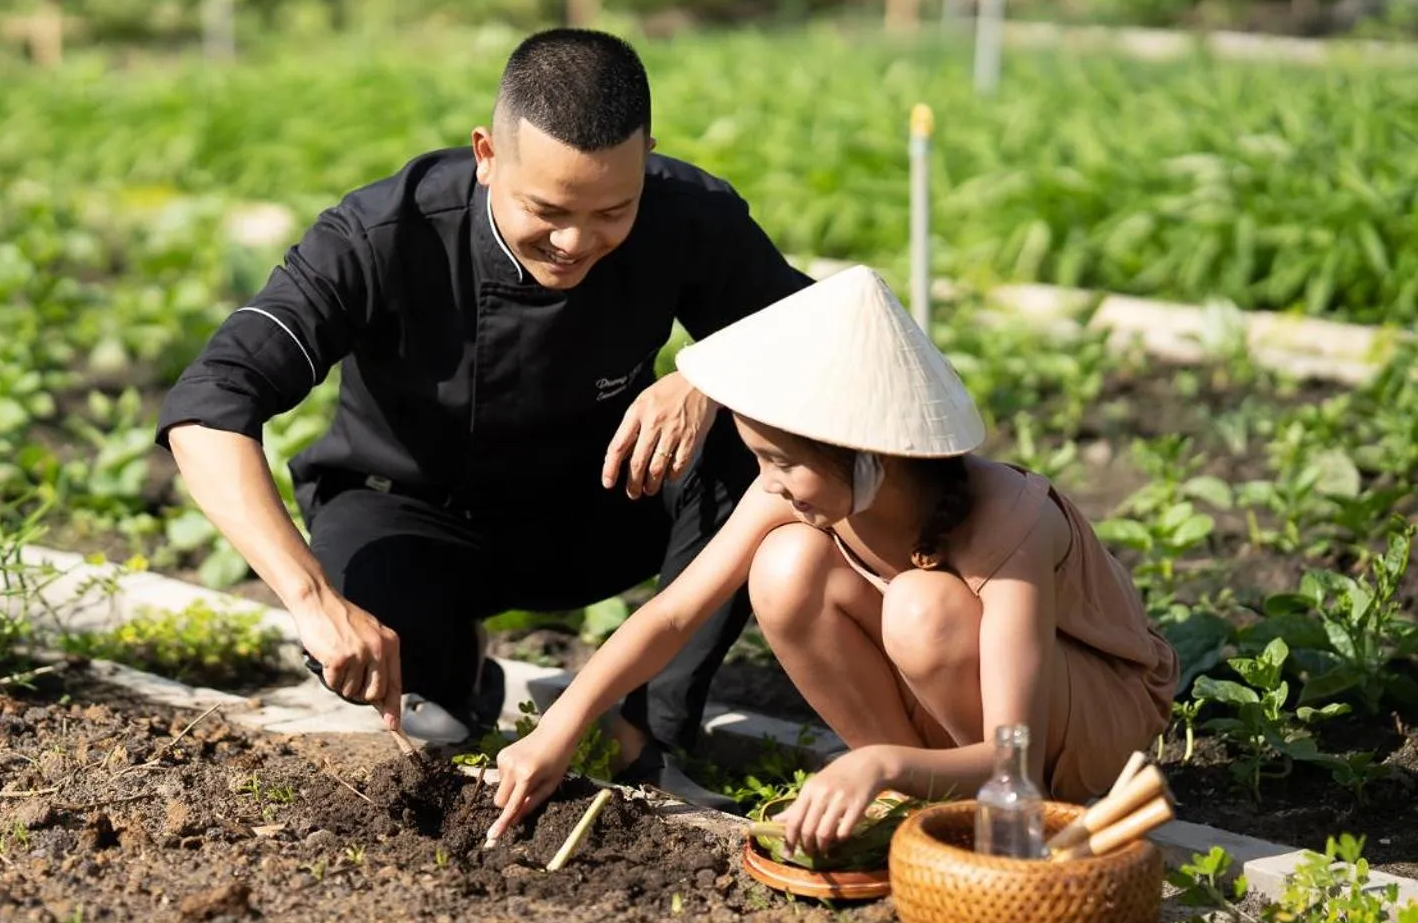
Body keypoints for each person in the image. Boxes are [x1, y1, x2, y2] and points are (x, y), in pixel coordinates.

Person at [154, 28, 815, 810]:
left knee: (759, 451)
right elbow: (208, 408)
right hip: (409, 516)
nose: (576, 241)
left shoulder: (687, 214)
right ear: (486, 154)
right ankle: (455, 674)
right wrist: (311, 602)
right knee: (409, 687)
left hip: (598, 504)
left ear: (647, 159)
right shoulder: (380, 236)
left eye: (613, 209)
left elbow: (825, 333)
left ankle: (648, 730)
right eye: (547, 209)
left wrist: (711, 375)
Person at [487, 265, 1179, 850]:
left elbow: (1014, 752)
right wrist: (559, 730)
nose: (770, 481)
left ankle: (973, 810)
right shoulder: (796, 491)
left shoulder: (1009, 522)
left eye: (782, 461)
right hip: (977, 730)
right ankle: (919, 796)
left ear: (872, 456)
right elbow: (672, 617)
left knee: (921, 605)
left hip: (1083, 735)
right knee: (785, 568)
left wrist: (879, 763)